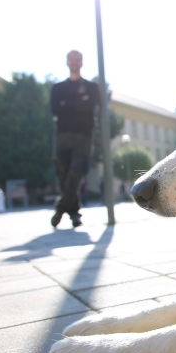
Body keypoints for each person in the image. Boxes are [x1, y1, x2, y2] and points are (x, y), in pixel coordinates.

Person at [50, 50, 100, 228]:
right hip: (63, 135)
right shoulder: (57, 88)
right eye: (72, 59)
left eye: (77, 59)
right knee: (63, 176)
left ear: (82, 62)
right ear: (67, 62)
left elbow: (91, 106)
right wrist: (80, 102)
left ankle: (60, 207)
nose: (74, 62)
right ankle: (74, 214)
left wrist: (68, 103)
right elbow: (55, 109)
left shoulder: (91, 87)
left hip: (84, 136)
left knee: (77, 173)